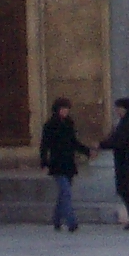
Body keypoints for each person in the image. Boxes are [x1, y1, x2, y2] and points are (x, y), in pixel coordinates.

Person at [38, 97, 96, 232]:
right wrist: (44, 162)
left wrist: (87, 151)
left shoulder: (69, 123)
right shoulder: (50, 125)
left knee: (63, 194)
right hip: (57, 163)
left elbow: (74, 142)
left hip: (69, 162)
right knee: (66, 192)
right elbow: (44, 145)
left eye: (67, 109)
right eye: (63, 109)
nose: (65, 111)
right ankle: (72, 222)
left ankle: (56, 219)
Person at [99, 97, 129, 229]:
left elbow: (118, 141)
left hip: (127, 164)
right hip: (126, 163)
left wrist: (101, 145)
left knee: (128, 192)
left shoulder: (127, 124)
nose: (117, 111)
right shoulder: (125, 123)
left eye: (119, 108)